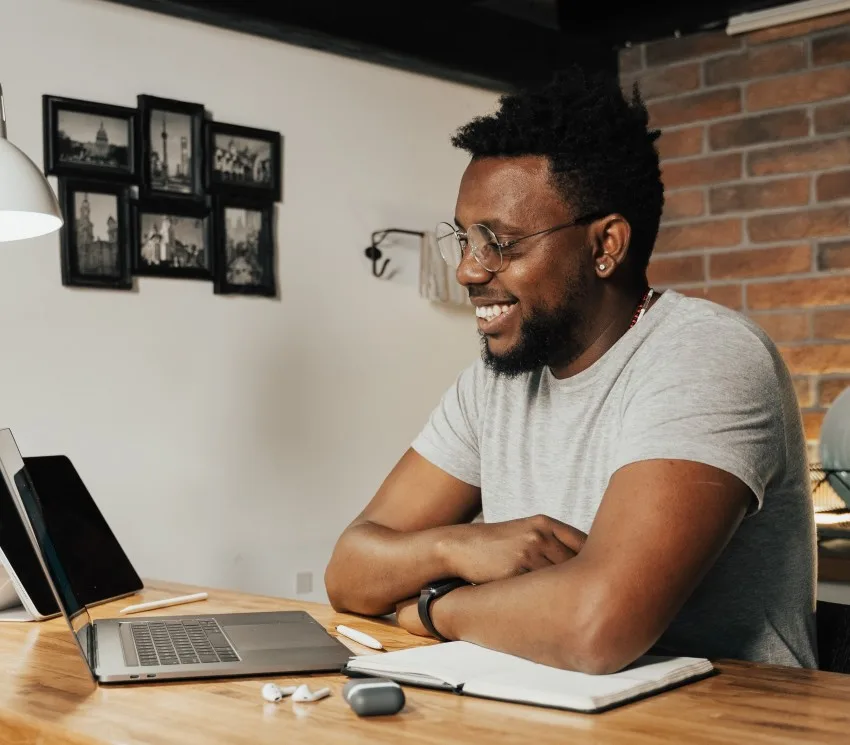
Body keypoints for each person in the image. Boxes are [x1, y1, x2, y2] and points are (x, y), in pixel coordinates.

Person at [325, 67, 816, 674]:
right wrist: (463, 544)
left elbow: (595, 625)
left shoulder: (707, 355)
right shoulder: (495, 383)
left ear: (605, 246)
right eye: (465, 240)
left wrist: (432, 606)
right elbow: (350, 570)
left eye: (499, 244)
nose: (468, 272)